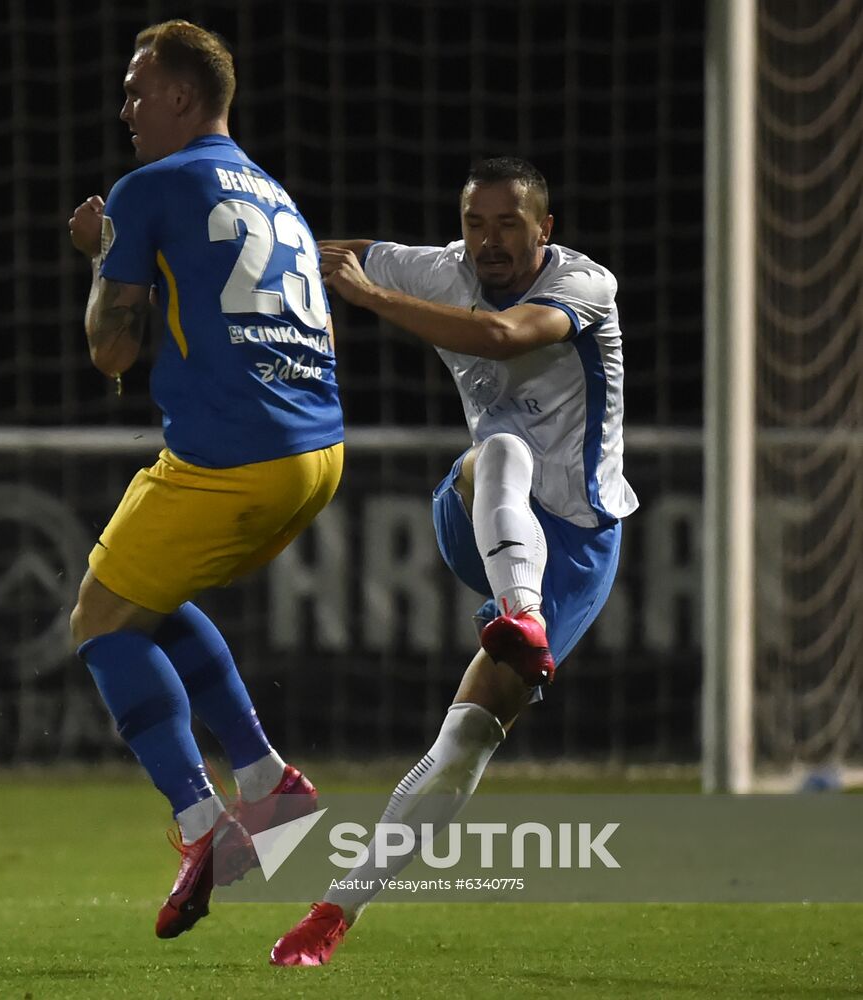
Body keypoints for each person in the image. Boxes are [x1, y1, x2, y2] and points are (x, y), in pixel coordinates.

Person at [270, 156, 638, 966]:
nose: (489, 241)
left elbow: (501, 337)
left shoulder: (586, 286)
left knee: (467, 737)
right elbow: (297, 248)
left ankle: (333, 911)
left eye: (509, 223)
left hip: (576, 543)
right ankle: (520, 615)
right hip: (481, 513)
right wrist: (146, 253)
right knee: (497, 445)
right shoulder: (439, 268)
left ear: (547, 229)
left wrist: (364, 296)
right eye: (475, 223)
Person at [66, 20, 343, 941]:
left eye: (138, 90)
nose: (126, 109)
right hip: (319, 455)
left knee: (99, 620)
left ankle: (199, 821)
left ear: (183, 96)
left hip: (233, 455)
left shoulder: (152, 187)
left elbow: (111, 348)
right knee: (148, 593)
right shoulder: (274, 192)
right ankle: (266, 780)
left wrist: (103, 256)